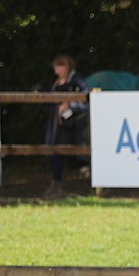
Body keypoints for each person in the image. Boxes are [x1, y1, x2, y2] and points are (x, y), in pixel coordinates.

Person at [43, 54, 90, 199]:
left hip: (77, 123)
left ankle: (91, 184)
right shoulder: (55, 83)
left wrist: (70, 105)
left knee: (77, 152)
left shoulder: (77, 80)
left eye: (59, 66)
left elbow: (87, 98)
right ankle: (56, 183)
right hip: (59, 123)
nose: (56, 69)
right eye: (55, 66)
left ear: (66, 66)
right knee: (58, 151)